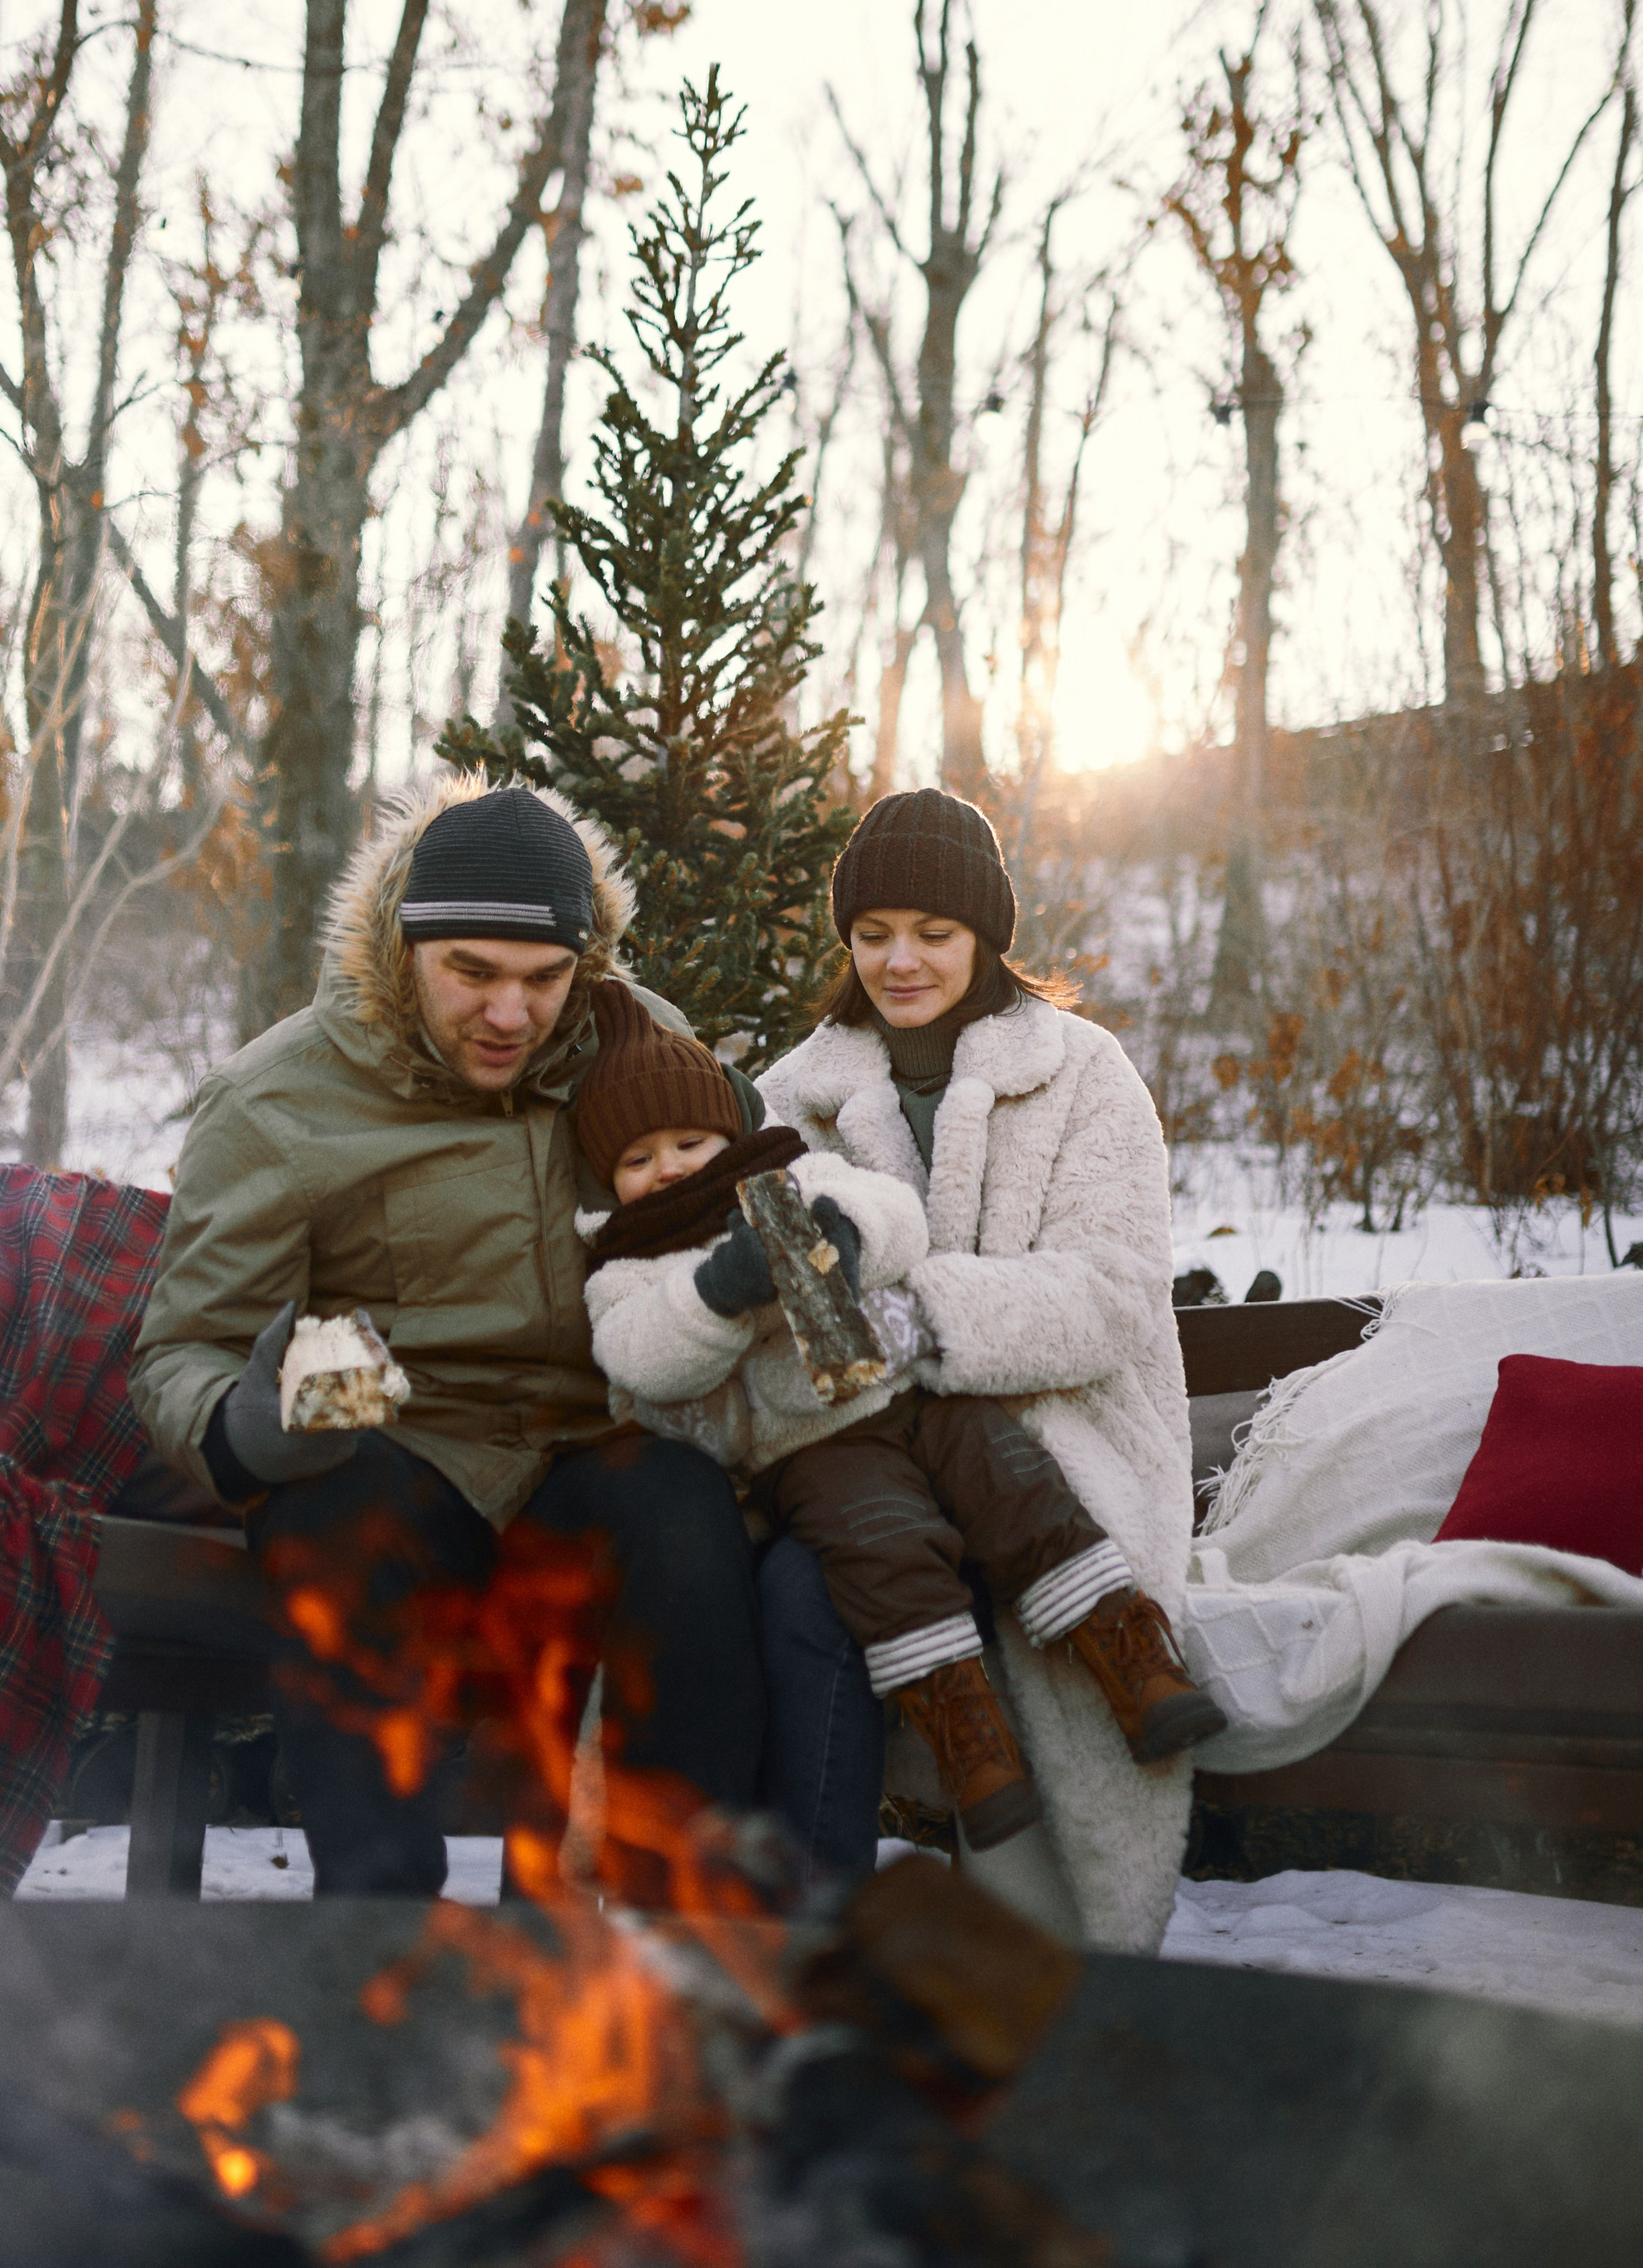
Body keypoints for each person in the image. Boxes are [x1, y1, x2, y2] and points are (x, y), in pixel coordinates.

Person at [127, 774, 765, 1901]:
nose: (511, 1015)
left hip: (589, 1450)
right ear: (400, 951)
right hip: (413, 1462)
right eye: (471, 973)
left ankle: (675, 1941)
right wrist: (247, 1427)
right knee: (332, 1511)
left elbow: (740, 1189)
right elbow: (182, 1350)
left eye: (543, 979)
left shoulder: (638, 1047)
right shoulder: (278, 1101)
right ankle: (379, 1929)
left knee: (683, 1508)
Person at [573, 979, 1222, 1857]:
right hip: (810, 1449)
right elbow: (638, 1355)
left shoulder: (787, 1174)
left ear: (726, 1133)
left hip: (914, 1396)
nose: (672, 1168)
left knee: (1016, 1485)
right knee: (885, 1553)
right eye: (639, 1157)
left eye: (689, 1141)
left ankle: (1128, 1652)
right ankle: (969, 1740)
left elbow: (896, 1216)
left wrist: (845, 1231)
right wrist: (714, 1294)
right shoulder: (630, 1261)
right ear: (607, 1178)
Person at [753, 788, 1205, 1953]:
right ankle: (816, 1946)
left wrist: (923, 1322)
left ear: (987, 936)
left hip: (1060, 1438)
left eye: (933, 933)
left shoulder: (1083, 1073)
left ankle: (1050, 1965)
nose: (899, 961)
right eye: (872, 934)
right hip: (863, 1455)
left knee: (1010, 1553)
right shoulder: (791, 1098)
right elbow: (783, 1306)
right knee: (803, 1592)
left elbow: (1107, 1294)